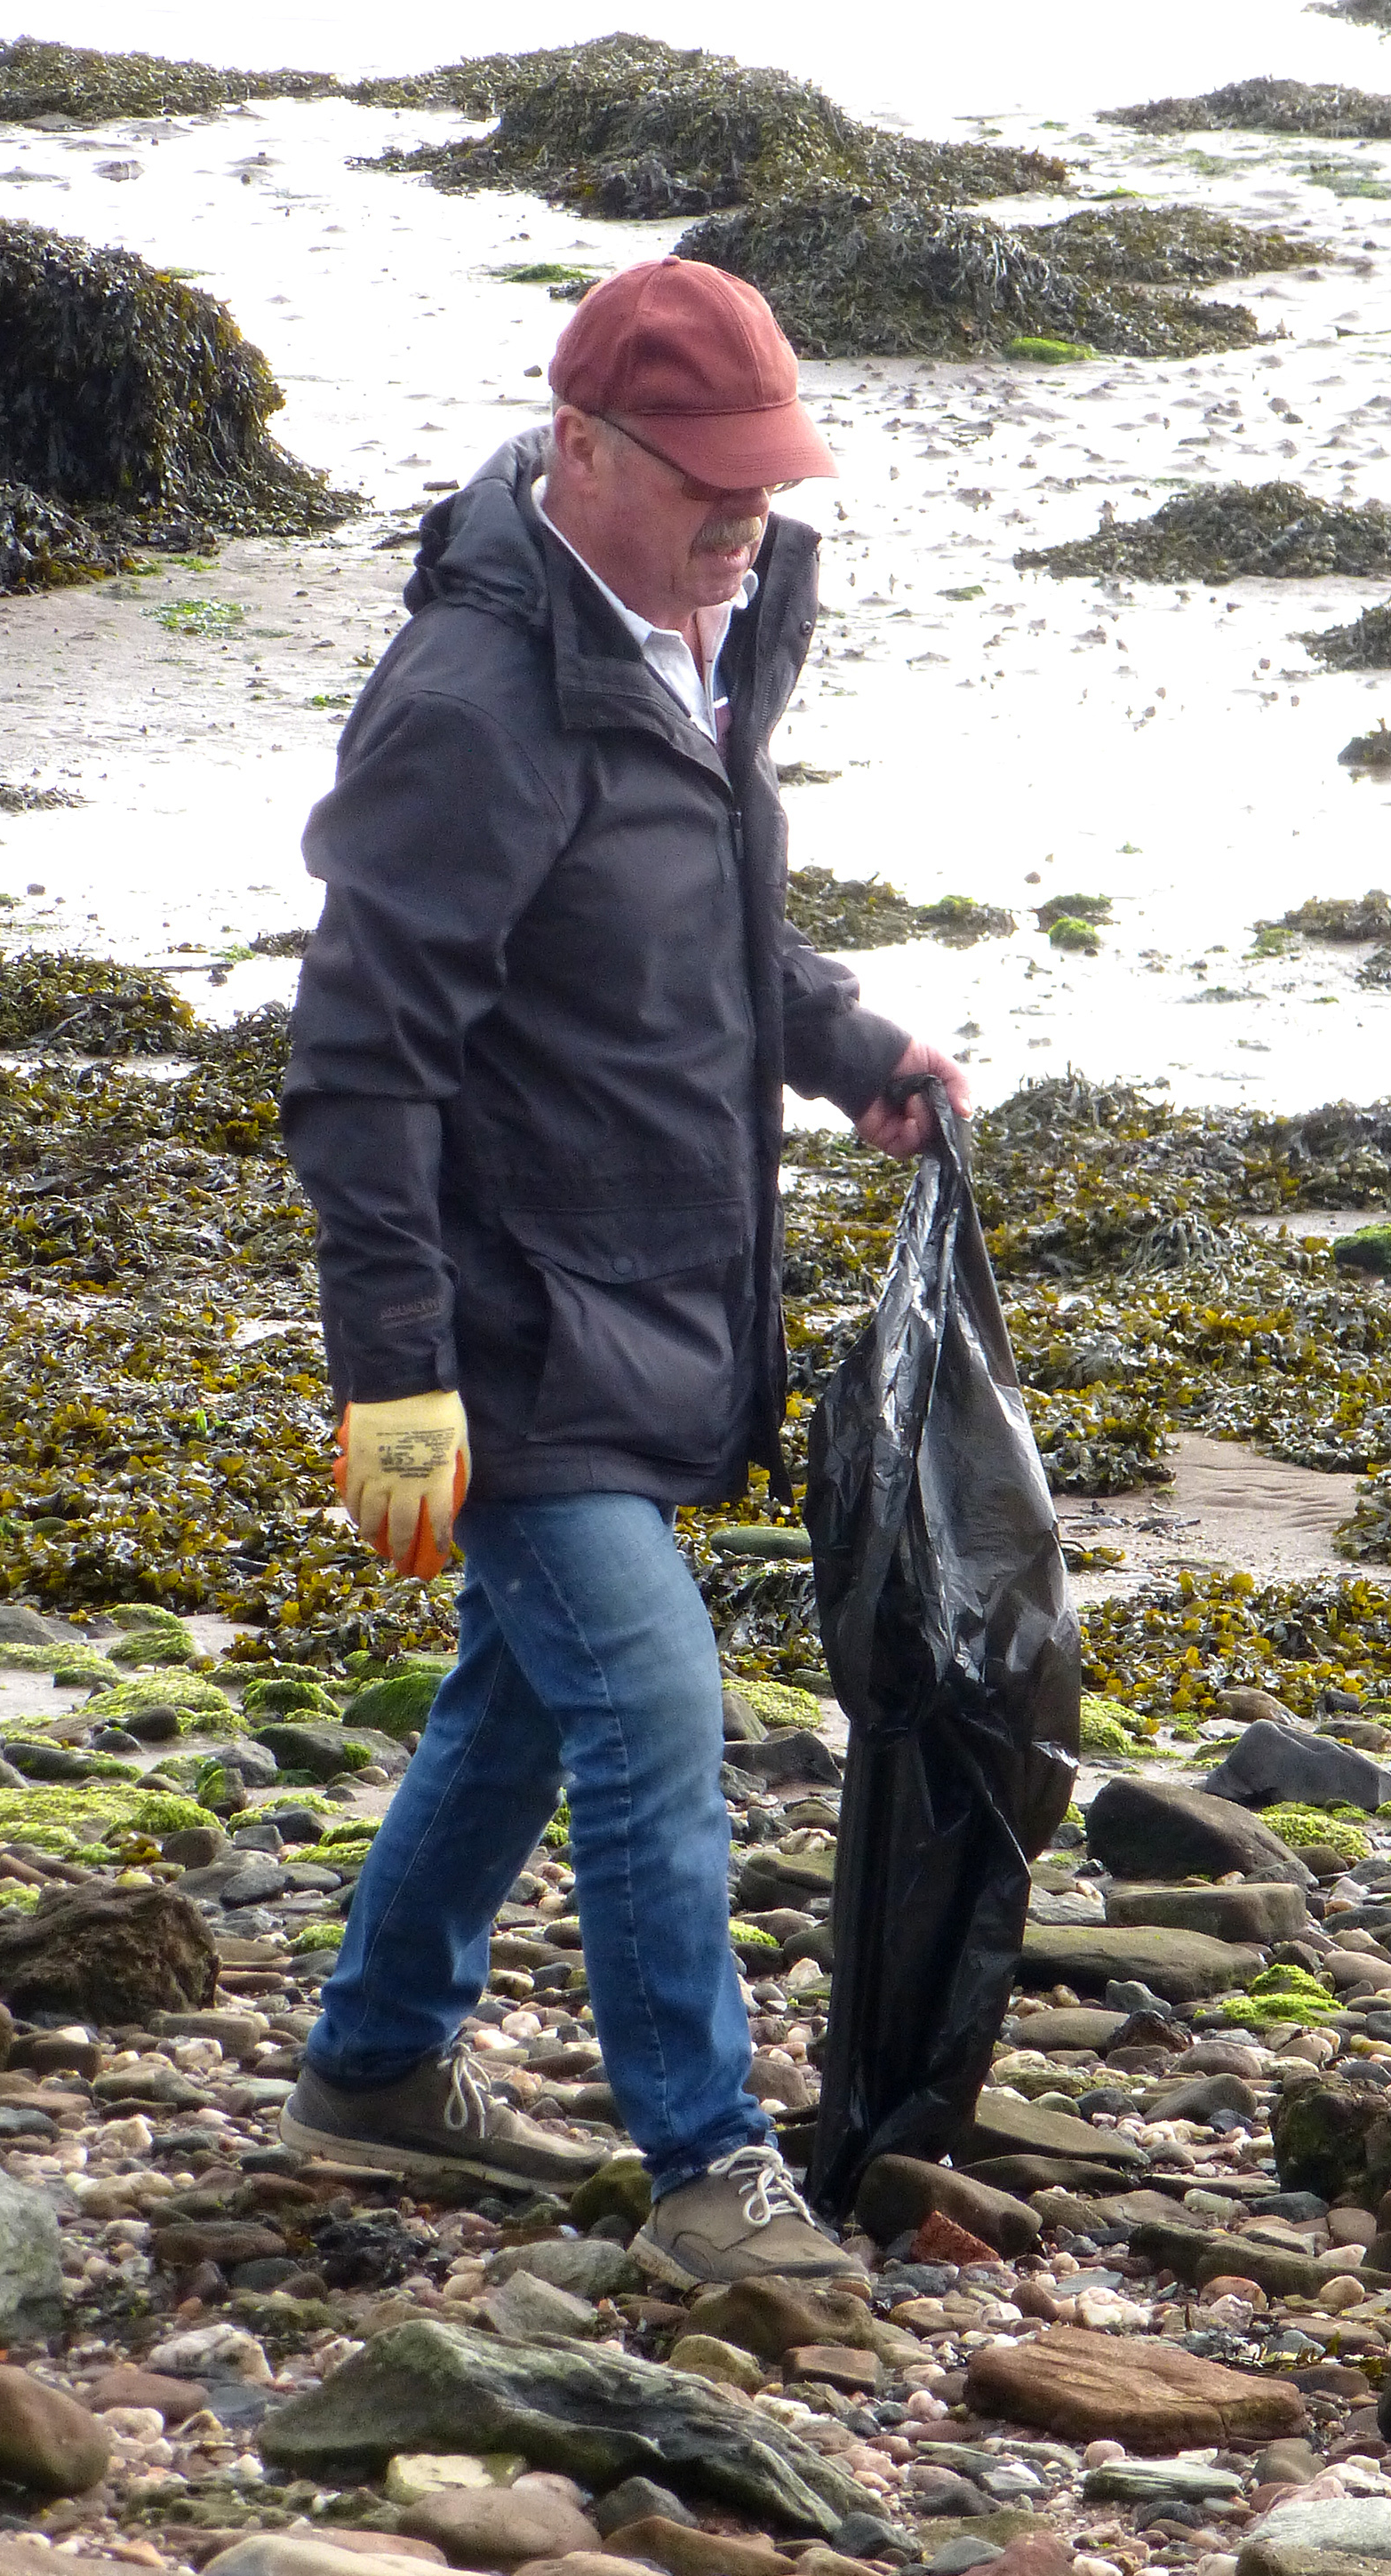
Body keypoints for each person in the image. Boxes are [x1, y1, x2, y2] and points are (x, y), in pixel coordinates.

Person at [279, 254, 970, 2288]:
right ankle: (705, 2167)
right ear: (580, 447)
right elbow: (361, 1057)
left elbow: (696, 926)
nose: (745, 515)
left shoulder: (714, 621)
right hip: (508, 1327)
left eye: (767, 474)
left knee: (525, 1691)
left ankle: (380, 2062)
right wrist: (394, 1366)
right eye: (705, 480)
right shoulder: (475, 702)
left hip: (658, 1288)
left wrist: (846, 1043)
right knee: (653, 1698)